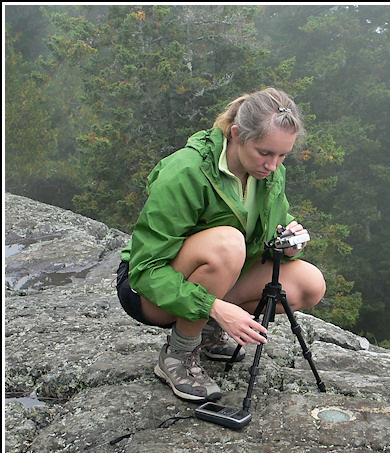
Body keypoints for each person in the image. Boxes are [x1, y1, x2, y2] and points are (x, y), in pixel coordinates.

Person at [115, 88, 326, 402]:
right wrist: (214, 307)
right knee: (228, 244)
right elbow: (145, 271)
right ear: (237, 134)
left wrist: (288, 242)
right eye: (265, 153)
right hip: (148, 292)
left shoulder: (267, 174)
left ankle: (205, 332)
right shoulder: (188, 171)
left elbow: (273, 224)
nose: (273, 165)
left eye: (282, 156)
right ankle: (178, 355)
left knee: (310, 285)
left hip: (213, 278)